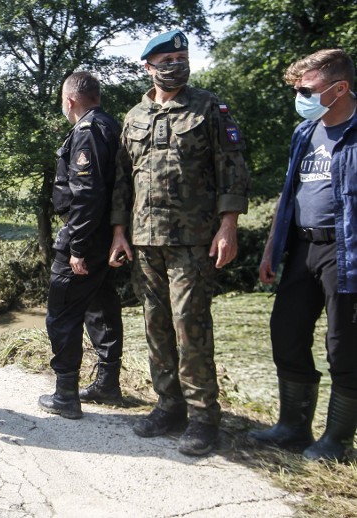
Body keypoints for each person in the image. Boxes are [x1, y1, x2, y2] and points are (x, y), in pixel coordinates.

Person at [109, 29, 250, 456]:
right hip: (144, 239)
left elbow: (232, 166)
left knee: (190, 323)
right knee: (155, 323)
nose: (176, 65)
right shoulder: (133, 117)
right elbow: (122, 180)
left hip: (193, 239)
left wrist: (229, 225)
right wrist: (118, 231)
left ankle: (204, 417)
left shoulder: (209, 107)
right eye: (167, 59)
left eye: (181, 57)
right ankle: (168, 405)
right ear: (148, 67)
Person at [250, 49, 357, 462]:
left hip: (346, 253)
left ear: (340, 88)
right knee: (286, 332)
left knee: (343, 344)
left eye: (307, 89)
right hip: (301, 248)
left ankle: (336, 441)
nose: (300, 96)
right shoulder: (304, 131)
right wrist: (271, 247)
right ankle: (292, 427)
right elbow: (289, 193)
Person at [38, 72, 124, 420]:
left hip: (86, 236)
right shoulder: (110, 125)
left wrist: (77, 246)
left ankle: (66, 396)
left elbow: (87, 194)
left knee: (62, 313)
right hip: (107, 236)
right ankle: (107, 384)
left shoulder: (87, 131)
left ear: (69, 100)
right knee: (101, 306)